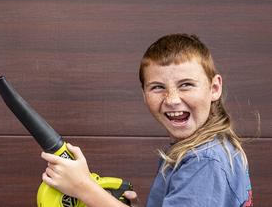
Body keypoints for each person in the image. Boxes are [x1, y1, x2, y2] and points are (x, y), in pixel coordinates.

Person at [40, 33, 253, 207]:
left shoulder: (204, 161)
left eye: (186, 84)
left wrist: (83, 188)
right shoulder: (203, 150)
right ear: (144, 94)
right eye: (158, 87)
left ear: (214, 88)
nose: (172, 99)